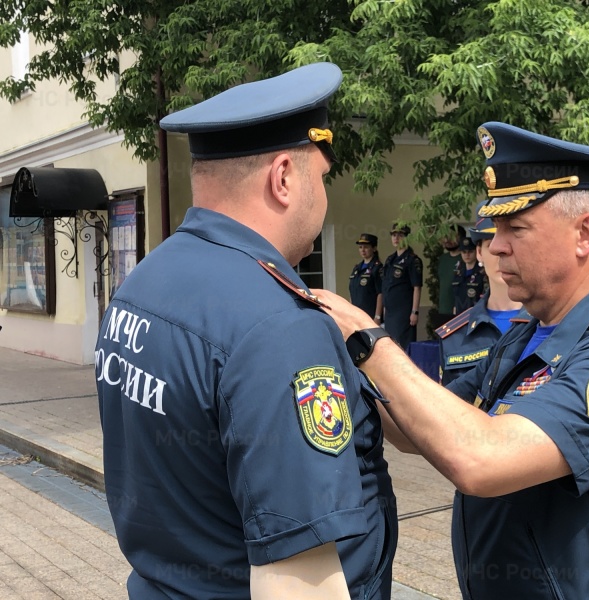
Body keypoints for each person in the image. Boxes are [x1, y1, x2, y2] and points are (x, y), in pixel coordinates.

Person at [313, 122, 589, 599]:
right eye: (494, 228)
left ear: (585, 234)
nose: (495, 244)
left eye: (515, 227)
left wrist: (369, 340)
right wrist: (334, 359)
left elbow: (481, 459)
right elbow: (413, 429)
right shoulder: (525, 334)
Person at [95, 62, 397, 599]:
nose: (324, 198)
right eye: (322, 178)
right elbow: (298, 579)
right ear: (283, 178)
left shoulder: (144, 281)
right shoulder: (279, 327)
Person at [437, 201, 527, 385]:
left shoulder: (550, 324)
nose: (502, 253)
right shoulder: (455, 336)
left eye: (513, 242)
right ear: (479, 252)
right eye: (491, 244)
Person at [381, 223, 423, 351]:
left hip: (404, 312)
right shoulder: (390, 259)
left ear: (407, 237)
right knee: (391, 346)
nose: (396, 238)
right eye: (393, 235)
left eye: (400, 235)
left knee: (403, 347)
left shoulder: (412, 260)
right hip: (390, 313)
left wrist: (414, 312)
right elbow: (386, 285)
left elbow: (417, 287)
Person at [433, 224, 466, 328]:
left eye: (452, 236)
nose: (447, 240)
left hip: (460, 310)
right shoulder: (443, 259)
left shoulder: (465, 259)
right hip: (443, 309)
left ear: (461, 238)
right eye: (446, 236)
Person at [349, 233, 383, 325]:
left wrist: (377, 316)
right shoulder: (357, 268)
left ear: (374, 248)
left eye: (366, 247)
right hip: (357, 316)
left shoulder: (377, 268)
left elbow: (381, 293)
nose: (363, 250)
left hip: (370, 316)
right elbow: (352, 292)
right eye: (360, 247)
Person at [451, 236, 487, 315]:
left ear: (476, 252)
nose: (467, 254)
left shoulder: (483, 272)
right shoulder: (458, 271)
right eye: (464, 252)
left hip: (476, 314)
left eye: (470, 251)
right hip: (459, 315)